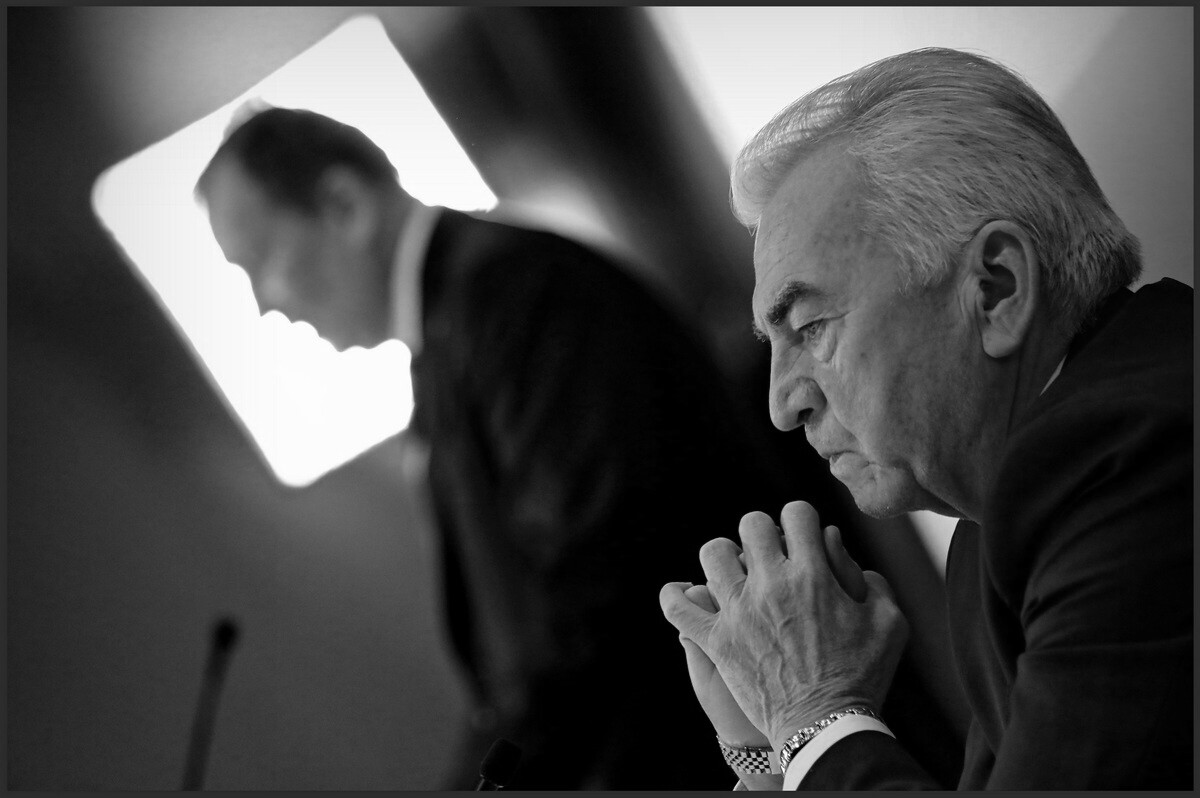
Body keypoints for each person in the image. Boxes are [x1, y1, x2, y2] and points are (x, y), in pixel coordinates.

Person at [194, 106, 819, 789]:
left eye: (261, 261)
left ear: (344, 206)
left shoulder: (519, 293)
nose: (265, 303)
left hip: (721, 750)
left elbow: (600, 582)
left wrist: (491, 776)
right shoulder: (460, 317)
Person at [660, 47, 1192, 790]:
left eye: (810, 328)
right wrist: (771, 747)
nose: (783, 405)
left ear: (996, 289)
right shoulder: (991, 531)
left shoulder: (1142, 464)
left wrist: (814, 710)